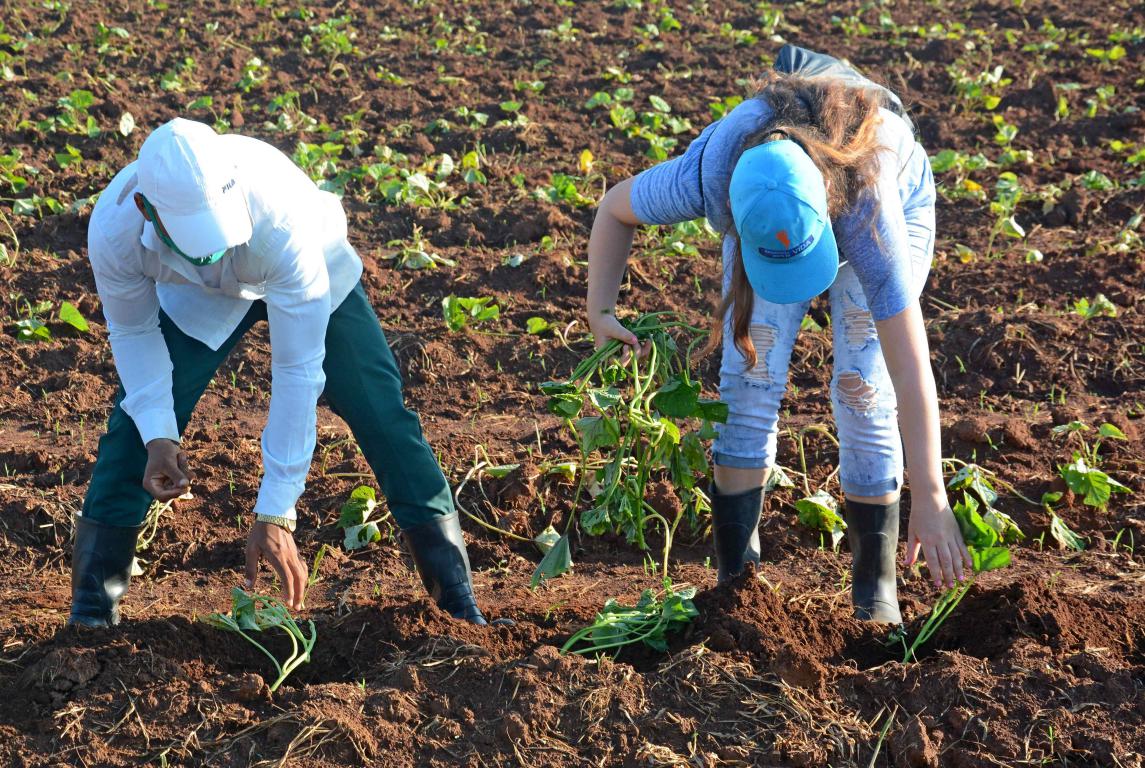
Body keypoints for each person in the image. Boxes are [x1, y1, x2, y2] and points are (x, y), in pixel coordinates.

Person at [585, 46, 972, 623]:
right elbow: (614, 209)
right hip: (779, 208)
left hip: (884, 188)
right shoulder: (712, 171)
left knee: (860, 386)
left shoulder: (870, 210)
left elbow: (910, 368)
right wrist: (600, 312)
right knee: (748, 373)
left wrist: (933, 495)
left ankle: (875, 594)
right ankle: (736, 586)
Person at [72, 117, 487, 627]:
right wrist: (159, 433)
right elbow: (134, 335)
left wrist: (275, 510)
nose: (213, 252)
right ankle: (91, 617)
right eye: (197, 239)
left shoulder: (280, 221)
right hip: (193, 293)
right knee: (132, 432)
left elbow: (297, 370)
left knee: (380, 412)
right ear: (146, 210)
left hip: (301, 265)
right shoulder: (116, 231)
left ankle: (459, 606)